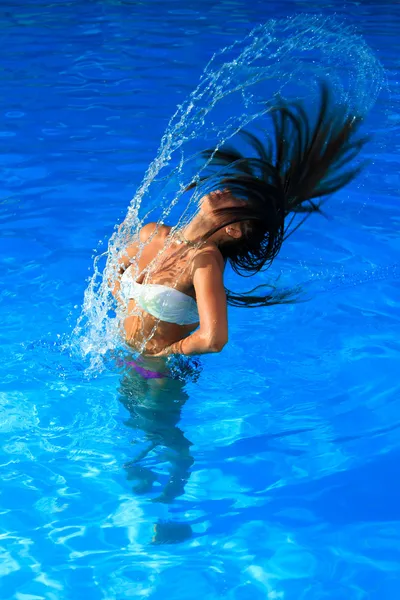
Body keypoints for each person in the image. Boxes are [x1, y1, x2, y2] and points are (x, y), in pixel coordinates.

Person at [112, 83, 366, 378]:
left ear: (233, 230)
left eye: (237, 200)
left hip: (160, 375)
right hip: (119, 355)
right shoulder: (152, 233)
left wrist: (166, 354)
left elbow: (214, 339)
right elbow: (115, 271)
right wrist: (123, 304)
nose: (228, 189)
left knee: (154, 427)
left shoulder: (204, 263)